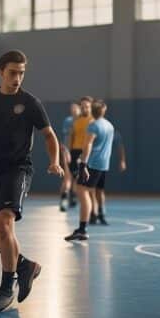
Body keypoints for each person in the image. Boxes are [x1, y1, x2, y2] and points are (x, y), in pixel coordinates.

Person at [0, 50, 63, 314]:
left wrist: (55, 161)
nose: (17, 78)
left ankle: (5, 288)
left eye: (22, 73)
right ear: (1, 71)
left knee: (4, 222)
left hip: (18, 169)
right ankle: (24, 265)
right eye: (13, 72)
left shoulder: (31, 102)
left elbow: (49, 135)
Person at [66, 99, 116, 241]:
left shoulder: (93, 125)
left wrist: (83, 164)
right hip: (104, 164)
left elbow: (87, 145)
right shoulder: (109, 125)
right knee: (93, 191)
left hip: (93, 164)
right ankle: (96, 215)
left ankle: (82, 228)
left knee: (82, 190)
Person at [89, 123, 126, 225]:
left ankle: (98, 213)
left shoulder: (106, 131)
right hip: (97, 163)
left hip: (97, 164)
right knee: (94, 190)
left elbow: (120, 146)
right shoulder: (93, 129)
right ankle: (96, 213)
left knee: (95, 190)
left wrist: (122, 160)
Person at [59, 102, 79, 211]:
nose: (74, 110)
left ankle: (73, 197)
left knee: (76, 178)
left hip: (78, 153)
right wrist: (65, 151)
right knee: (67, 178)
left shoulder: (84, 122)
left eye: (76, 108)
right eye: (72, 108)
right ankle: (64, 200)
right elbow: (68, 138)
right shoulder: (68, 121)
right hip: (68, 152)